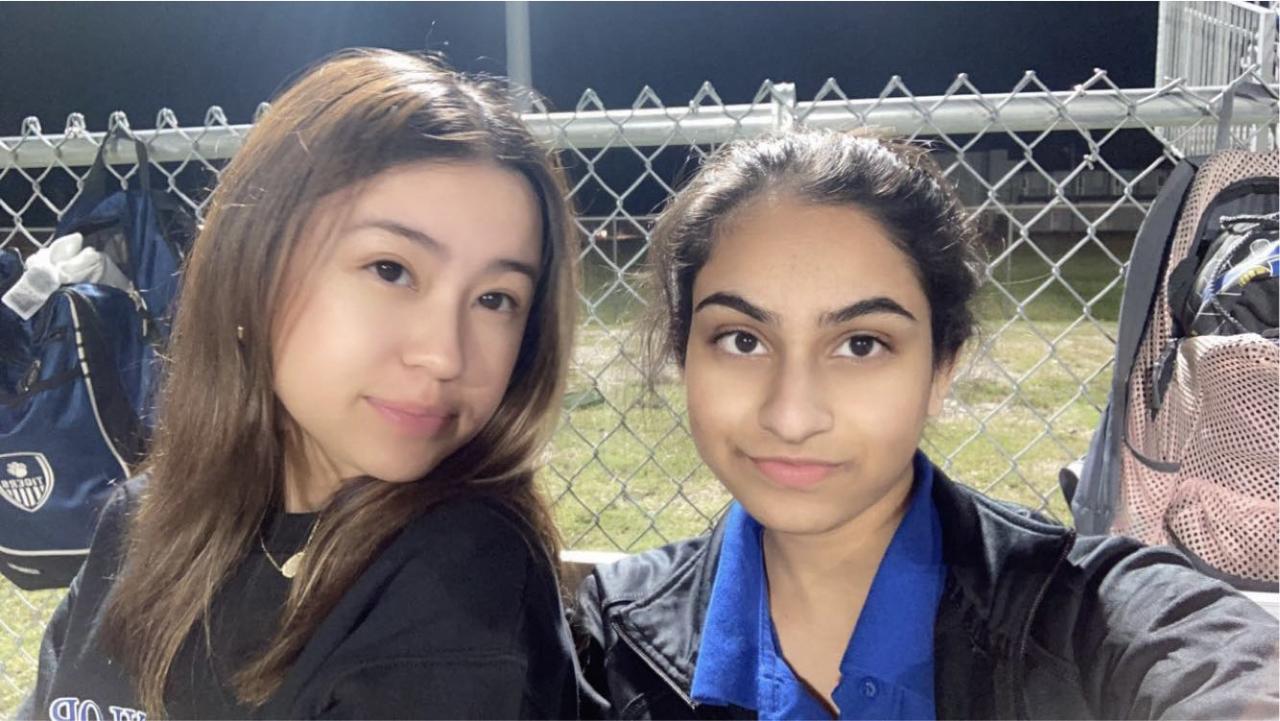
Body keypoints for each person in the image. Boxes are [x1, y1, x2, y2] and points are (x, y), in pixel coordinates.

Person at [572, 130, 1280, 720]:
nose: (791, 415)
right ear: (684, 355)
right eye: (742, 339)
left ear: (942, 367)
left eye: (861, 344)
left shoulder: (1087, 617)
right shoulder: (613, 639)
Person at [20, 49, 581, 720]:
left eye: (495, 299)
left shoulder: (458, 580)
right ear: (254, 266)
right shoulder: (143, 521)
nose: (443, 355)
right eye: (391, 269)